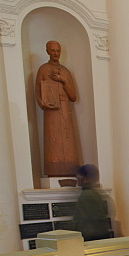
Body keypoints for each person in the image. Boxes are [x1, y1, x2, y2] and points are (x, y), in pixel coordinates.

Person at [34, 41, 80, 176]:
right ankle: (54, 170)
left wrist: (63, 80)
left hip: (65, 109)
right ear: (47, 51)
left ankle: (70, 169)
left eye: (58, 51)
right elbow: (37, 91)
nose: (55, 54)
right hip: (51, 112)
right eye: (53, 51)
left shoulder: (65, 71)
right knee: (53, 142)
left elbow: (73, 96)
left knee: (67, 140)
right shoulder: (43, 69)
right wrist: (43, 103)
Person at [71, 164, 111, 241]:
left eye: (79, 176)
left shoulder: (87, 195)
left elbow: (87, 223)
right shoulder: (94, 193)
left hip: (91, 239)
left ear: (85, 178)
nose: (77, 178)